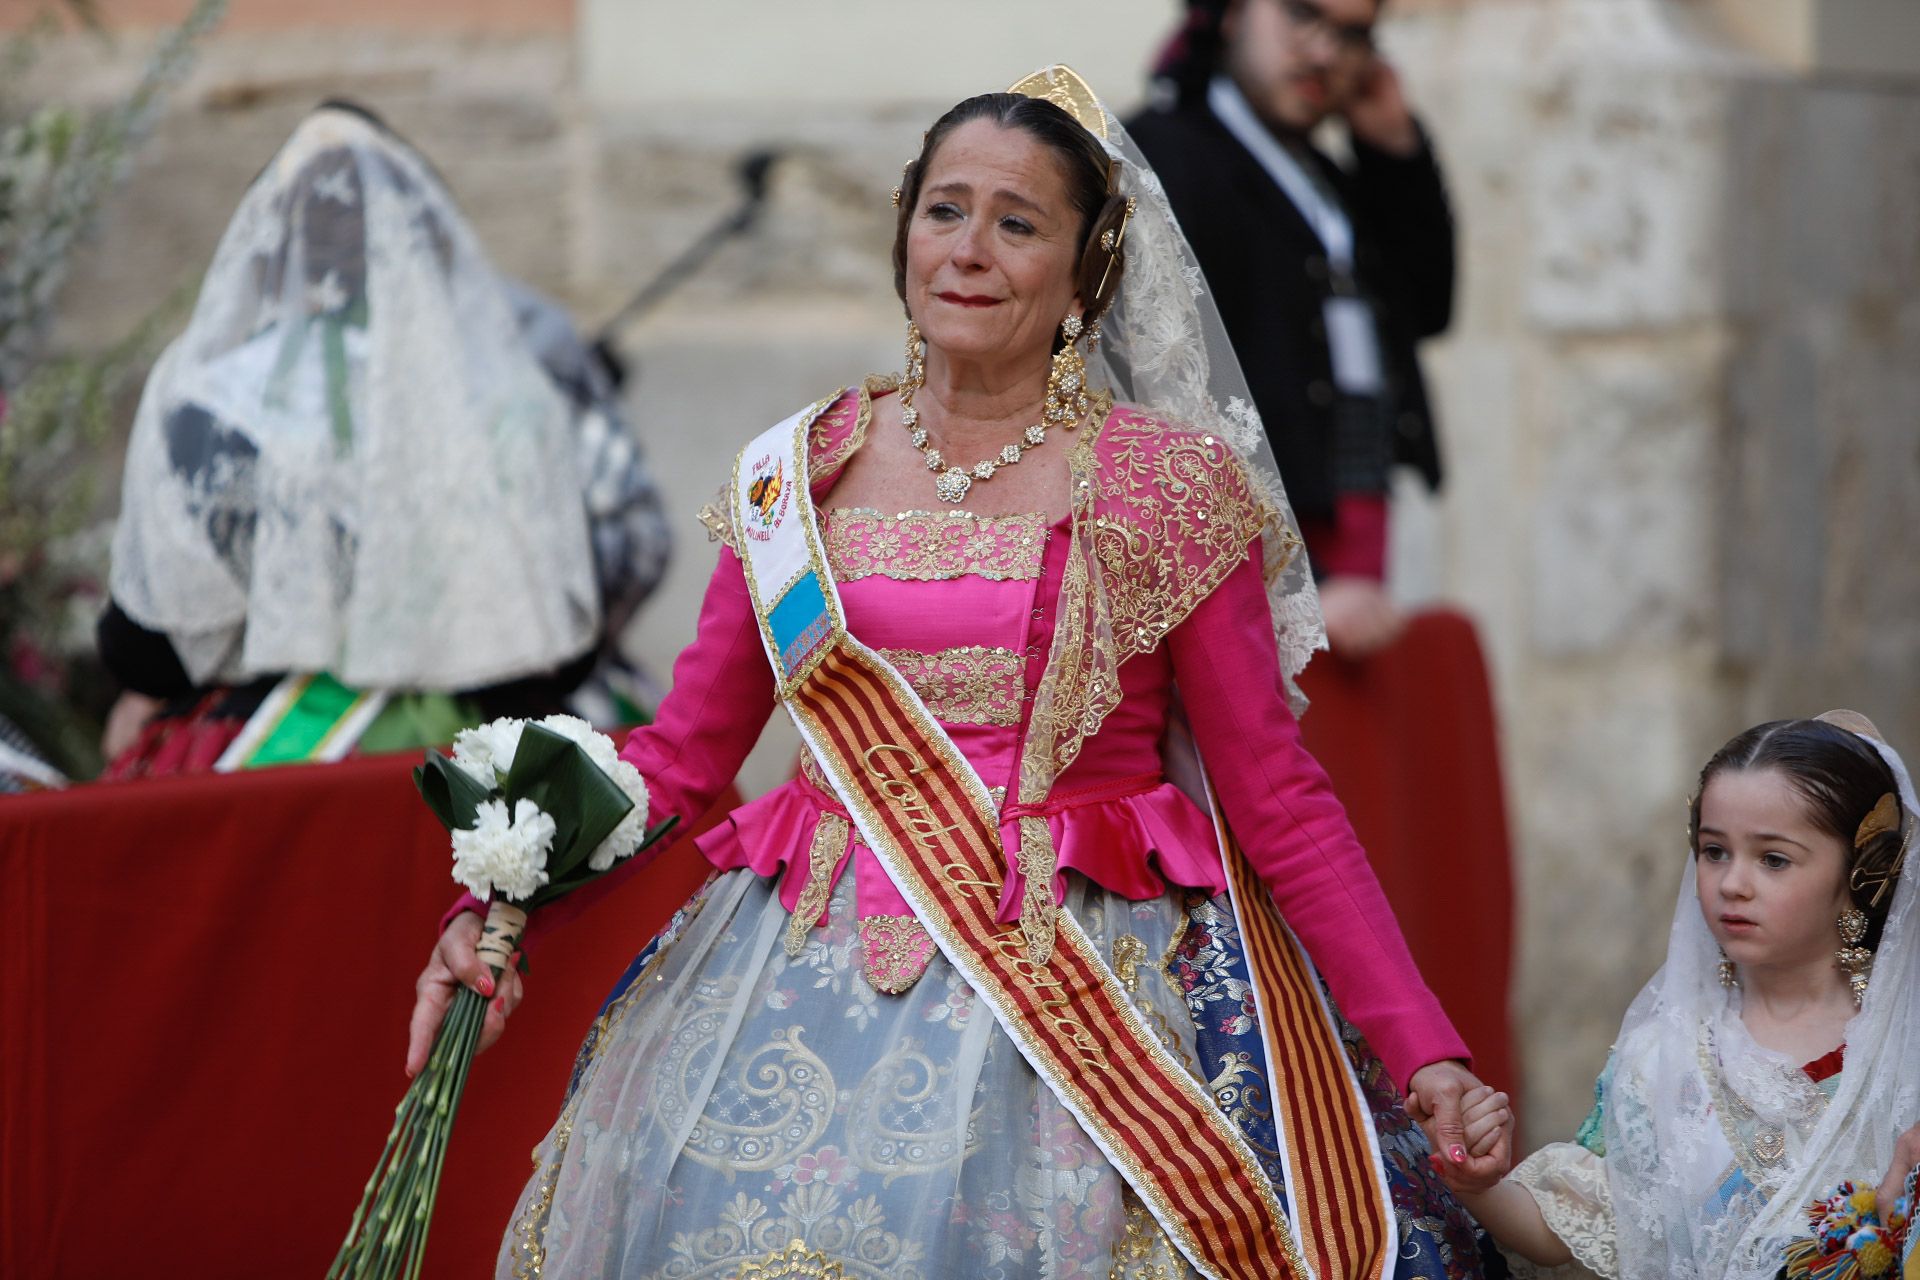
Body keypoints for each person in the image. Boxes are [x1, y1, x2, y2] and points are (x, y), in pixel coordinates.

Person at [409, 69, 1504, 1278]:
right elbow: (678, 758)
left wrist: (1425, 1050)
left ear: (1088, 271)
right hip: (792, 972)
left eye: (1018, 222)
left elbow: (1275, 795)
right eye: (945, 210)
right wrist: (496, 904)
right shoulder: (797, 474)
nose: (970, 251)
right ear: (902, 230)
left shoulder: (1167, 487)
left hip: (1087, 998)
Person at [97, 103, 668, 778]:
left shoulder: (209, 399)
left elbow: (145, 650)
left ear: (274, 236)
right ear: (419, 232)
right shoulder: (509, 400)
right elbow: (560, 647)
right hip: (465, 788)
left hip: (252, 779)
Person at [1436, 713, 1920, 1279]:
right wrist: (1476, 1183)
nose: (1732, 882)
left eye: (1773, 859)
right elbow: (1579, 1222)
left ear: (1864, 871)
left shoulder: (1904, 1046)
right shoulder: (1660, 1058)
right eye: (1715, 851)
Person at [1128, 0, 1454, 659]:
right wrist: (1297, 584)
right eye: (1304, 15)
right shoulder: (1166, 157)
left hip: (1349, 523)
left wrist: (1393, 150)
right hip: (1248, 560)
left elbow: (1428, 307)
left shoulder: (1322, 173)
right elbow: (1166, 399)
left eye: (1354, 35)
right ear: (1230, 14)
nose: (1326, 52)